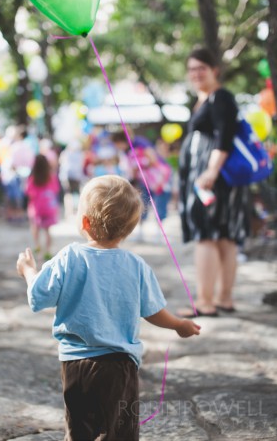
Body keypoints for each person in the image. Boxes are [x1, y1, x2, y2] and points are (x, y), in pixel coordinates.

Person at [16, 175, 201, 440]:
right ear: (130, 227)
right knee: (119, 432)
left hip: (76, 364)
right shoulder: (136, 265)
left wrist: (29, 270)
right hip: (120, 366)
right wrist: (179, 324)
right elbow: (152, 311)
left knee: (80, 431)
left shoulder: (70, 257)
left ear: (85, 223)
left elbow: (38, 296)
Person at [178, 48, 249, 317]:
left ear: (214, 70)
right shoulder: (207, 99)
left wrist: (210, 172)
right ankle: (223, 299)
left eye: (201, 68)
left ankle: (207, 302)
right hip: (215, 178)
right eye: (192, 69)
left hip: (212, 178)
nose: (196, 73)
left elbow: (224, 139)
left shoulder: (220, 98)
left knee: (206, 235)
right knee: (223, 238)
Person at [112, 129, 172, 241]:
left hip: (158, 179)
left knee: (159, 205)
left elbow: (153, 159)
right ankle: (141, 233)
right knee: (141, 204)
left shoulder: (139, 143)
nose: (117, 147)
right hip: (144, 181)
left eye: (117, 144)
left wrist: (138, 166)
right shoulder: (126, 150)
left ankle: (160, 234)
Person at [25, 154, 60, 261]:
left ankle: (38, 249)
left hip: (36, 209)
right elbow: (56, 190)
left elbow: (29, 193)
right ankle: (48, 251)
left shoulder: (32, 179)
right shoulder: (52, 177)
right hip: (49, 208)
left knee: (35, 229)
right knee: (47, 230)